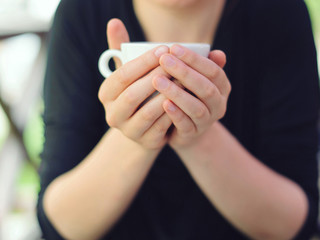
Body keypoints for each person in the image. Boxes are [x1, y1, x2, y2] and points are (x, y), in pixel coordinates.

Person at [37, 0, 320, 239]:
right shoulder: (82, 10)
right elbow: (60, 223)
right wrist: (137, 135)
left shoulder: (279, 11)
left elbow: (294, 224)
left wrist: (199, 136)